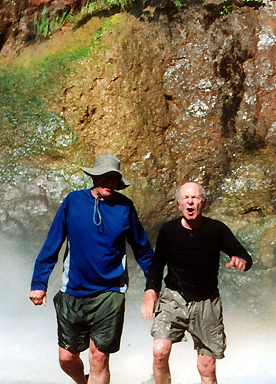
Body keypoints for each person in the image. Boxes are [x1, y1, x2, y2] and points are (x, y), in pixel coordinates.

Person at [29, 154, 155, 384]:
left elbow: (143, 250)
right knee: (67, 358)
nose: (110, 182)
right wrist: (39, 283)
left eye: (114, 178)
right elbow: (53, 242)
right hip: (73, 290)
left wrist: (153, 286)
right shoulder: (73, 201)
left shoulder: (125, 207)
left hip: (110, 292)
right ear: (95, 177)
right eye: (105, 177)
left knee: (98, 358)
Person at [141, 182, 253, 384]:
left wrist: (241, 260)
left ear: (204, 203)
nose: (190, 202)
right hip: (174, 298)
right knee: (159, 351)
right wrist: (150, 290)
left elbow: (243, 254)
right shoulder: (169, 230)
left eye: (195, 198)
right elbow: (157, 265)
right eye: (186, 198)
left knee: (206, 367)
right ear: (178, 204)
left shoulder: (216, 229)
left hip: (206, 303)